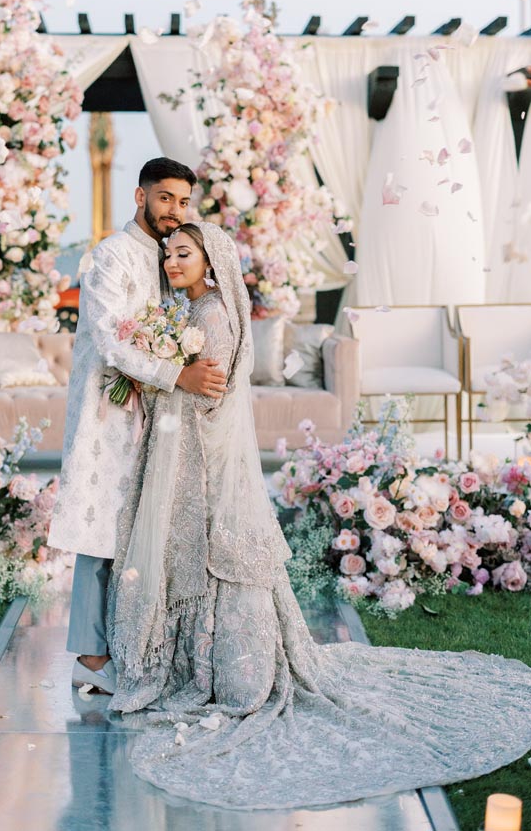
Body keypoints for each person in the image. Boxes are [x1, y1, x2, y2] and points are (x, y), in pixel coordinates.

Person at [105, 221, 531, 811]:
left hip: (202, 461)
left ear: (211, 261)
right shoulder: (184, 310)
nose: (172, 261)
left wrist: (152, 376)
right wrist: (153, 368)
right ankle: (198, 666)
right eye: (168, 253)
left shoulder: (209, 317)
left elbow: (207, 395)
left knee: (213, 555)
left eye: (185, 253)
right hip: (182, 455)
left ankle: (227, 671)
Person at [47, 159, 227, 694]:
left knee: (139, 530)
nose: (175, 211)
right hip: (108, 412)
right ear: (140, 195)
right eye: (166, 198)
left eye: (184, 201)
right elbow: (108, 337)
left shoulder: (170, 258)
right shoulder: (111, 256)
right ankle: (92, 656)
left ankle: (140, 645)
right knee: (101, 527)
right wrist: (178, 374)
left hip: (157, 416)